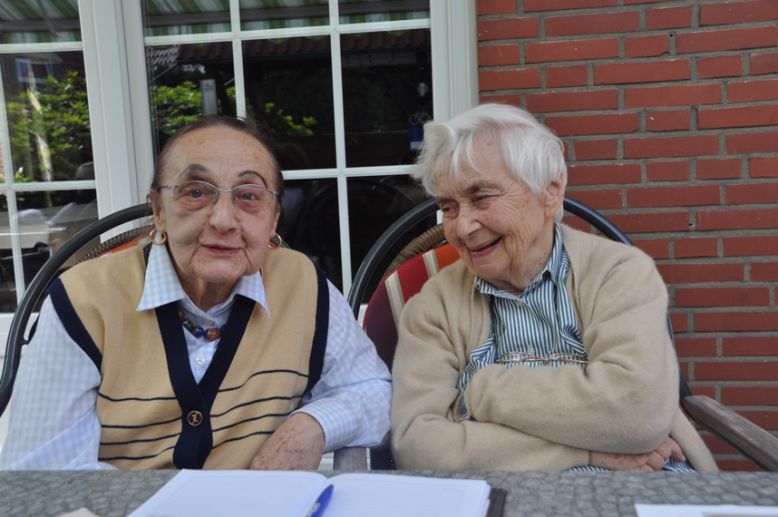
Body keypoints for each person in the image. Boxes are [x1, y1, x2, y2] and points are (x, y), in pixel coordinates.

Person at [0, 116, 391, 470]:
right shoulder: (83, 300)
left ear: (274, 218)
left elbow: (372, 391)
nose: (223, 220)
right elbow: (42, 470)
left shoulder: (303, 285)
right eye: (196, 192)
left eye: (249, 195)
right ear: (158, 210)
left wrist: (314, 424)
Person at [390, 104, 717, 472]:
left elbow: (637, 411)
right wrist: (586, 452)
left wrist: (482, 392)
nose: (463, 227)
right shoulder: (433, 307)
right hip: (507, 495)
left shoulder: (618, 273)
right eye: (449, 207)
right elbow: (418, 448)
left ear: (550, 192)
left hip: (647, 482)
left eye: (482, 198)